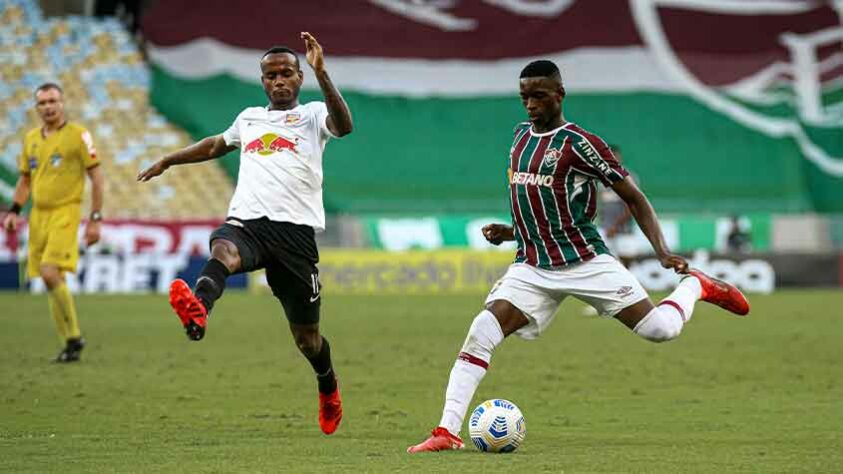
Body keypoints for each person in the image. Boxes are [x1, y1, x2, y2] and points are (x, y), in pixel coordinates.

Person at [407, 60, 750, 453]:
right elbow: (539, 202)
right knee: (481, 332)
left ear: (559, 94)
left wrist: (662, 251)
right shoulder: (520, 137)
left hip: (586, 262)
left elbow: (634, 197)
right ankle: (446, 432)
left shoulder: (580, 144)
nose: (530, 105)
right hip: (532, 265)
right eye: (524, 97)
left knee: (660, 330)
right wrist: (513, 231)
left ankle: (695, 287)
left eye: (538, 96)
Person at [137, 32, 353, 435]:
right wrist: (170, 159)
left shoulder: (312, 117)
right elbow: (216, 145)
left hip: (295, 236)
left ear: (300, 77)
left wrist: (324, 74)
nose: (279, 81)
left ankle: (328, 385)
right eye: (271, 75)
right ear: (263, 80)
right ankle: (199, 309)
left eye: (287, 73)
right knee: (223, 248)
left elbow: (345, 126)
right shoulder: (249, 118)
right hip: (249, 223)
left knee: (307, 340)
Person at [3, 83, 105, 363]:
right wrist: (13, 210)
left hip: (65, 211)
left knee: (50, 272)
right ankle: (71, 342)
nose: (48, 107)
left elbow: (97, 176)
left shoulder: (78, 135)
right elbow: (25, 179)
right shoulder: (31, 139)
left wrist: (95, 219)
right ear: (37, 108)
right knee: (51, 280)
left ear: (62, 103)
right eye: (43, 103)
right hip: (38, 215)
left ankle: (74, 337)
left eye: (53, 101)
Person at [599, 145, 637, 268]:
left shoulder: (627, 177)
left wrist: (615, 226)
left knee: (627, 260)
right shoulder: (601, 177)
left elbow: (632, 205)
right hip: (605, 228)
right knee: (606, 261)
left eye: (615, 156)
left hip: (623, 229)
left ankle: (631, 284)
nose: (612, 159)